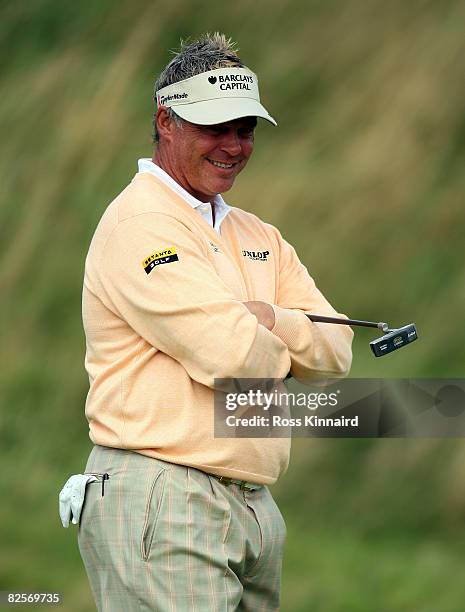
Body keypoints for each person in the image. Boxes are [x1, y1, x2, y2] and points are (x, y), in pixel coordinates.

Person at [64, 32, 353, 611]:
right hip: (164, 494)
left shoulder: (258, 235)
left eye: (244, 129)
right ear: (165, 120)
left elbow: (338, 349)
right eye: (214, 127)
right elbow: (232, 355)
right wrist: (289, 348)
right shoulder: (140, 224)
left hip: (252, 506)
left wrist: (269, 317)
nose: (232, 145)